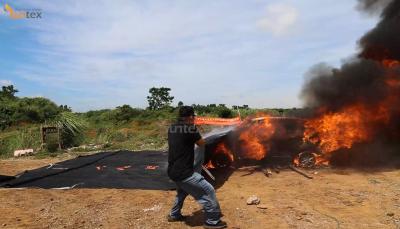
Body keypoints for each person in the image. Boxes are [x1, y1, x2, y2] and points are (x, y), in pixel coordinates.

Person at [167, 106, 227, 229]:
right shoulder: (191, 129)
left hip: (173, 170)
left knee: (182, 192)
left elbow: (184, 139)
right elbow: (201, 144)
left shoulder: (172, 128)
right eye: (193, 116)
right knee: (208, 190)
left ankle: (174, 214)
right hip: (185, 173)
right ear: (189, 117)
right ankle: (212, 221)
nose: (194, 118)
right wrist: (196, 130)